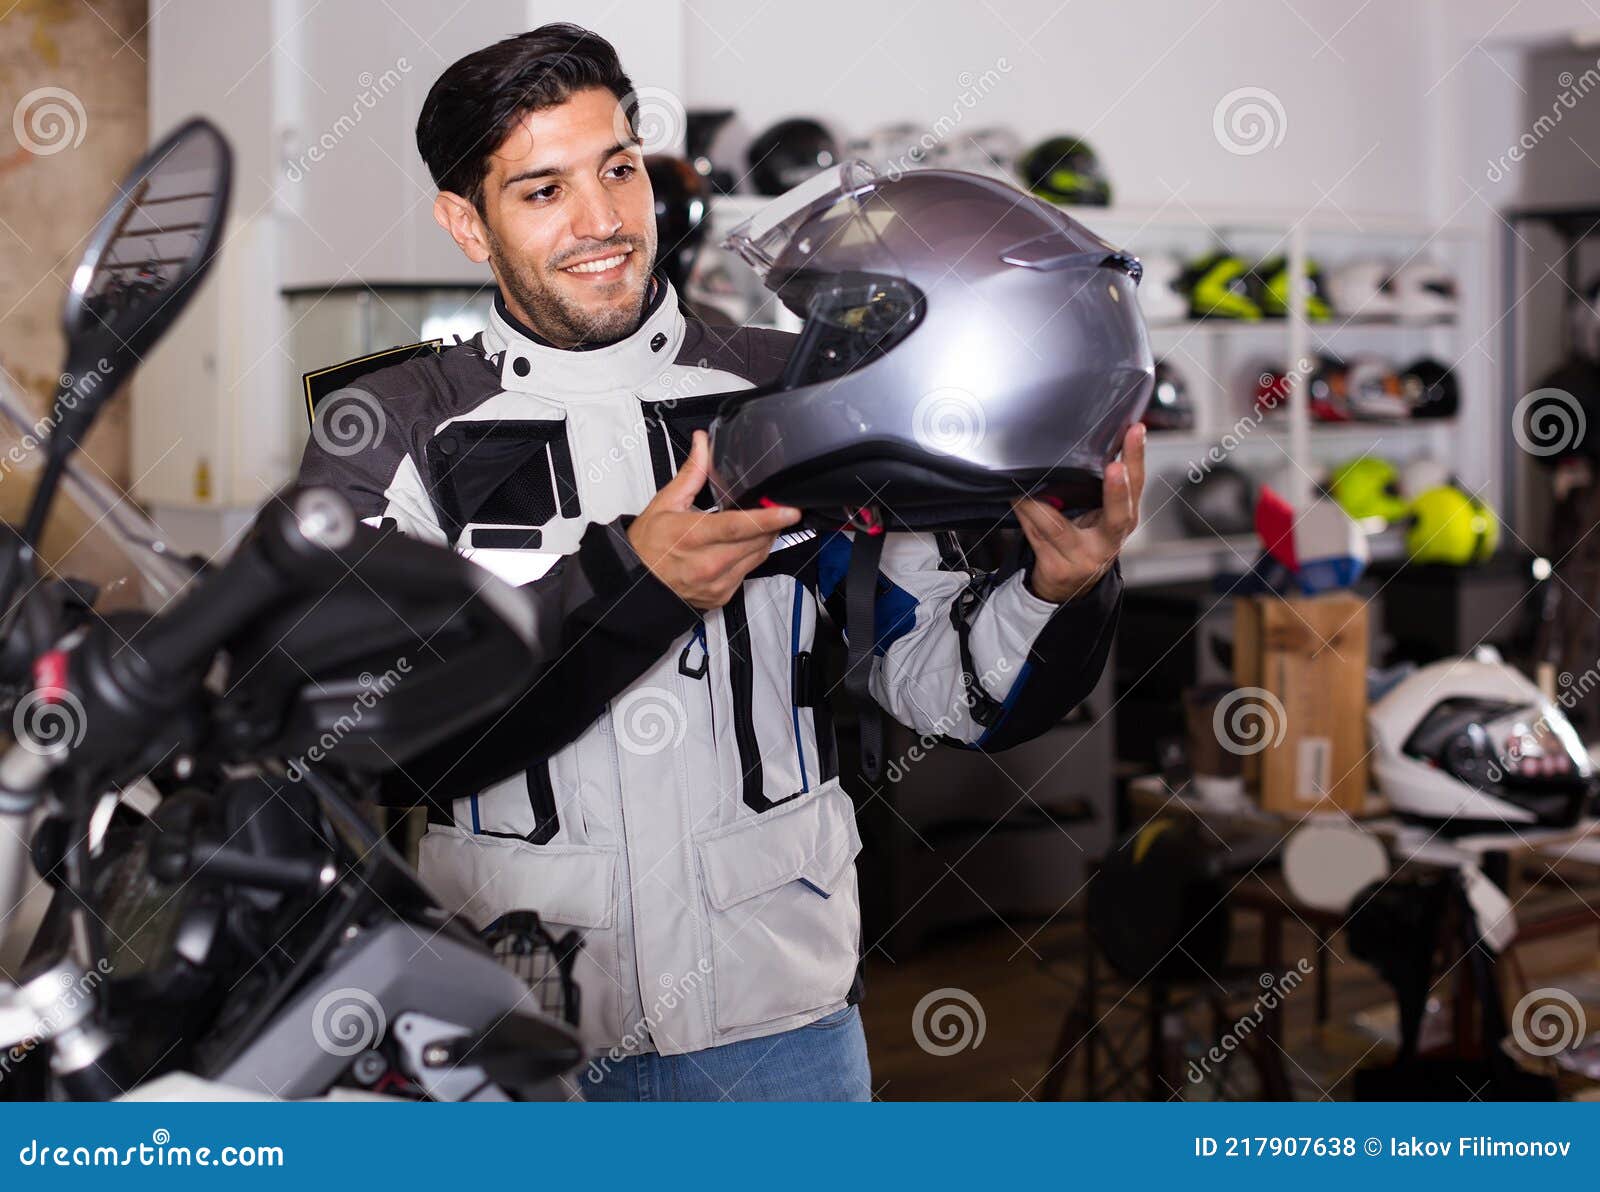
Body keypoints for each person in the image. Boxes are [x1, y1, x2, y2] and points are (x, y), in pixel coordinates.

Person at [295, 23, 1144, 1102]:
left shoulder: (800, 386)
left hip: (774, 1015)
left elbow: (945, 687)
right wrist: (624, 588)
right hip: (511, 1026)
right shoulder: (389, 421)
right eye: (542, 191)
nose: (603, 222)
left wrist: (1058, 592)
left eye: (617, 170)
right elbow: (377, 736)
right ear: (468, 223)